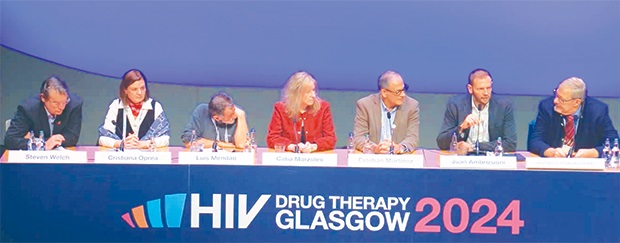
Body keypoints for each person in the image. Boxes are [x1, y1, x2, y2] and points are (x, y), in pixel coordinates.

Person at [528, 77, 618, 158]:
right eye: (556, 94)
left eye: (561, 99)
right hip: (553, 166)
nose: (555, 101)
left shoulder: (597, 111)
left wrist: (594, 152)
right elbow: (535, 141)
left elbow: (614, 142)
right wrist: (551, 152)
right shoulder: (547, 107)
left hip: (585, 169)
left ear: (576, 102)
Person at [436, 69, 517, 152]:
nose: (486, 93)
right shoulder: (456, 105)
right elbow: (442, 143)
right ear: (470, 89)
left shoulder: (503, 106)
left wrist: (474, 147)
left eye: (488, 88)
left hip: (492, 158)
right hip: (463, 159)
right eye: (481, 89)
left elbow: (511, 143)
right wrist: (461, 128)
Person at [4, 76, 83, 150]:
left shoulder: (73, 106)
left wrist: (36, 140)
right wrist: (43, 144)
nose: (61, 107)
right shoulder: (28, 109)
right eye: (56, 103)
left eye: (64, 102)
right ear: (43, 98)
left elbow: (72, 138)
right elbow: (10, 140)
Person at [98, 69, 170, 149]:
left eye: (142, 88)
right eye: (134, 89)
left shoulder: (155, 106)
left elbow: (165, 138)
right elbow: (103, 138)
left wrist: (144, 144)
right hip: (120, 159)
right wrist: (121, 144)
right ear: (125, 90)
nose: (139, 93)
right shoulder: (116, 105)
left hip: (147, 159)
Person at [266, 71, 336, 152]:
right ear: (297, 93)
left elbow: (331, 139)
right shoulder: (281, 109)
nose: (313, 95)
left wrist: (313, 146)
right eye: (308, 92)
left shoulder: (323, 108)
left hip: (315, 159)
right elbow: (272, 138)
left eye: (313, 90)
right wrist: (292, 147)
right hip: (288, 159)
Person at [352, 70, 419, 154]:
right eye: (398, 92)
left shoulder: (411, 106)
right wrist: (374, 148)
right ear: (384, 92)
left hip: (400, 159)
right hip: (373, 159)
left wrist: (400, 148)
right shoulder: (365, 105)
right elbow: (359, 137)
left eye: (404, 89)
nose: (403, 95)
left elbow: (412, 137)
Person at [180, 92, 249, 149]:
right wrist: (222, 145)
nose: (234, 116)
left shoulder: (238, 113)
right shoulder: (201, 112)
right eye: (230, 116)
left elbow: (241, 145)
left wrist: (241, 115)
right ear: (216, 118)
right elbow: (189, 141)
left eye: (234, 111)